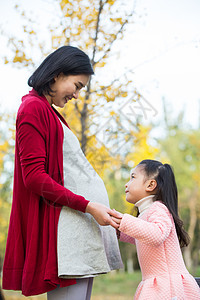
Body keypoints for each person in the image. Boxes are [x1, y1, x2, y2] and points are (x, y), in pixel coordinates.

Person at [2, 46, 123, 299]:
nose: (77, 95)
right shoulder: (33, 109)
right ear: (57, 74)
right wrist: (89, 206)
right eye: (77, 85)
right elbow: (34, 177)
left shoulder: (49, 112)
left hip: (77, 231)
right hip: (65, 234)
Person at [113, 159, 200, 299]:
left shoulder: (158, 208)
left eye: (132, 177)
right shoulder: (145, 213)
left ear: (150, 184)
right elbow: (142, 237)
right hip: (158, 284)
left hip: (169, 287)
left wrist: (124, 220)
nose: (126, 183)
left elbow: (157, 234)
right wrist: (116, 227)